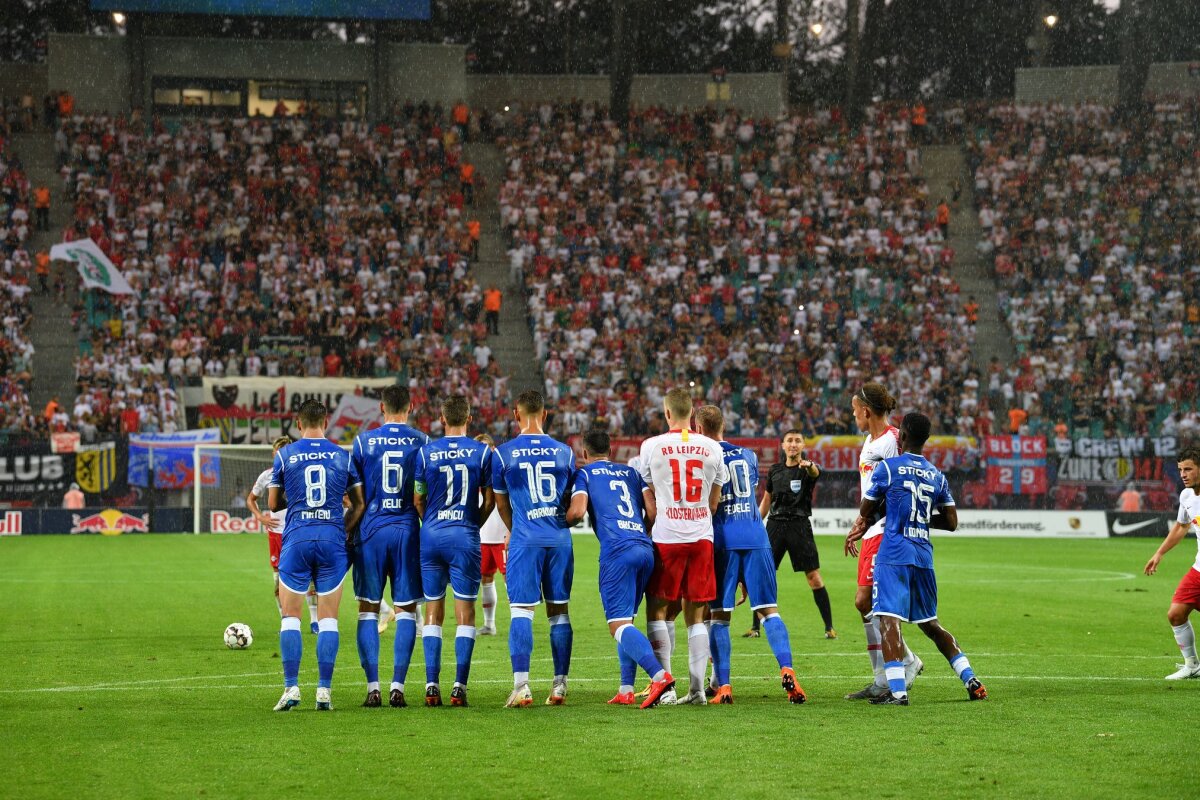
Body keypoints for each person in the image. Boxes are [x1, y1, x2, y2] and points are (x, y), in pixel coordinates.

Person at [848, 412, 987, 705]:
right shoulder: (937, 475)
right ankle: (971, 679)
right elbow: (951, 522)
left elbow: (866, 507)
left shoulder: (888, 468)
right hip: (923, 554)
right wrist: (921, 519)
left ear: (904, 437)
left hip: (895, 552)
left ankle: (897, 692)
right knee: (931, 624)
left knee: (888, 620)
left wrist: (881, 513)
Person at [697, 406, 806, 705]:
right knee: (769, 610)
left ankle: (725, 686)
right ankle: (787, 669)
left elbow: (714, 504)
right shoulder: (749, 455)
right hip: (757, 537)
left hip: (725, 540)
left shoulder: (705, 456)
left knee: (719, 617)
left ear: (699, 427)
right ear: (722, 425)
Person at [566, 428, 676, 709]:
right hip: (644, 549)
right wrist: (643, 533)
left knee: (617, 625)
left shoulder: (585, 474)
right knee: (627, 620)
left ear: (584, 453)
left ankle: (659, 676)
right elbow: (652, 512)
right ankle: (626, 688)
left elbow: (578, 512)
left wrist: (555, 521)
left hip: (617, 552)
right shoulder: (631, 473)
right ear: (610, 451)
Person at [268, 400, 364, 711]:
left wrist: (298, 498)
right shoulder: (342, 456)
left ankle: (291, 688)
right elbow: (359, 503)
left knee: (291, 618)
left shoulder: (285, 454)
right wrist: (343, 530)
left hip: (297, 539)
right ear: (325, 422)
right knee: (328, 620)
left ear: (298, 424)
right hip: (332, 540)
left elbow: (272, 504)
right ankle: (324, 691)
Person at [639, 387, 728, 705]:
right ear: (692, 415)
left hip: (667, 536)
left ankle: (665, 688)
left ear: (666, 414)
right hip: (701, 537)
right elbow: (714, 504)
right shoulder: (711, 448)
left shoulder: (651, 446)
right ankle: (697, 691)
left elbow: (649, 501)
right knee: (697, 614)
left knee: (658, 610)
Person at [493, 389, 577, 707]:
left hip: (525, 538)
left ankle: (522, 686)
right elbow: (570, 500)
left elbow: (502, 505)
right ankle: (559, 686)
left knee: (521, 611)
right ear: (545, 414)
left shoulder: (504, 454)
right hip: (558, 540)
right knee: (559, 612)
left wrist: (518, 531)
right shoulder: (564, 453)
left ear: (517, 414)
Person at [347, 385, 429, 708]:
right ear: (410, 407)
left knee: (367, 610)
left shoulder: (363, 442)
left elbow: (354, 496)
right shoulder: (422, 442)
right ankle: (398, 686)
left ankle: (373, 688)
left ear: (381, 407)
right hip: (407, 530)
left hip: (371, 531)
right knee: (406, 610)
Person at [414, 395, 494, 707]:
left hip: (432, 535)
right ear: (469, 417)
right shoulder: (482, 452)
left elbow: (418, 499)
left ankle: (431, 684)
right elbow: (488, 499)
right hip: (465, 536)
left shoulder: (426, 453)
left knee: (433, 608)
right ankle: (459, 686)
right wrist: (473, 522)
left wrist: (431, 522)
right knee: (466, 611)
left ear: (442, 419)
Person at [844, 383, 922, 700]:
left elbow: (898, 488)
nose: (853, 415)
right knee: (865, 603)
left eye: (854, 410)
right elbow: (870, 490)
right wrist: (860, 520)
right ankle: (883, 675)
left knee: (868, 602)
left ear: (865, 410)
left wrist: (870, 520)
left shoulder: (892, 441)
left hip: (886, 530)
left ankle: (905, 662)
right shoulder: (869, 441)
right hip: (872, 529)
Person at [751, 428, 834, 639]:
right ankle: (755, 627)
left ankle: (829, 627)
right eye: (790, 440)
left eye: (798, 441)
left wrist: (810, 467)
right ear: (783, 445)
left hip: (799, 526)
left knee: (813, 577)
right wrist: (754, 525)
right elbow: (767, 500)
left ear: (803, 446)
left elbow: (815, 472)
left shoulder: (807, 468)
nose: (794, 444)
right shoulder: (774, 470)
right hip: (775, 525)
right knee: (764, 574)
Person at [247, 436, 320, 626]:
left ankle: (314, 621)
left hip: (299, 531)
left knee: (309, 579)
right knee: (279, 583)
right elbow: (251, 499)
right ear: (273, 454)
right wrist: (260, 517)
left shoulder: (302, 473)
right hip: (277, 535)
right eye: (278, 453)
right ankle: (285, 621)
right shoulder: (267, 476)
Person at [1144, 445, 1200, 680]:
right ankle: (1192, 665)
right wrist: (1159, 553)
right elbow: (1181, 526)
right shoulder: (1187, 496)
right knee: (1176, 614)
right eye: (1180, 470)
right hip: (1199, 568)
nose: (1183, 474)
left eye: (1188, 469)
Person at [475, 433, 507, 635]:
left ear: (493, 449)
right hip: (482, 536)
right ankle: (489, 625)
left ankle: (521, 621)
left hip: (502, 535)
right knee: (486, 578)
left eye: (487, 448)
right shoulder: (473, 471)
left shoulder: (500, 471)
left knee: (510, 580)